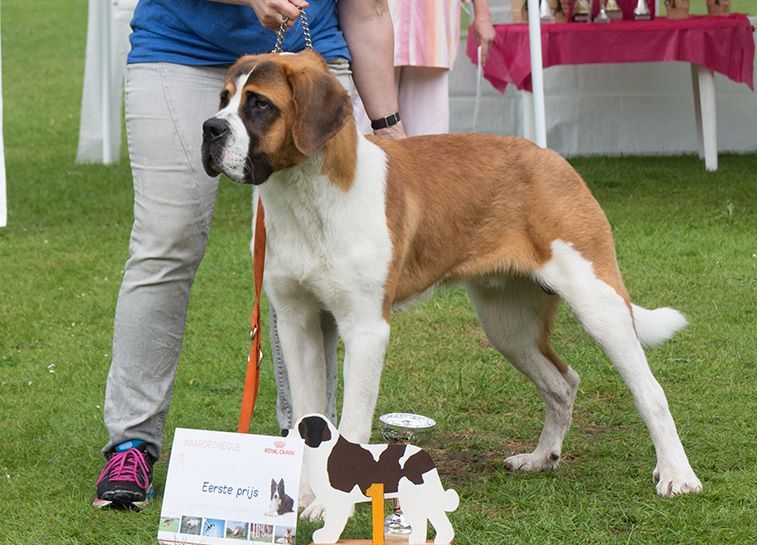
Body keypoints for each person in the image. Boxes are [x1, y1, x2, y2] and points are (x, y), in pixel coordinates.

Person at [94, 0, 405, 510]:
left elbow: (367, 10)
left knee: (326, 260)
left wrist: (388, 122)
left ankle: (308, 445)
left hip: (307, 63)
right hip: (181, 49)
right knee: (165, 242)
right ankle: (132, 443)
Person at [388, 0, 495, 136]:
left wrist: (482, 14)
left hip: (432, 26)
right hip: (372, 29)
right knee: (365, 133)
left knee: (429, 138)